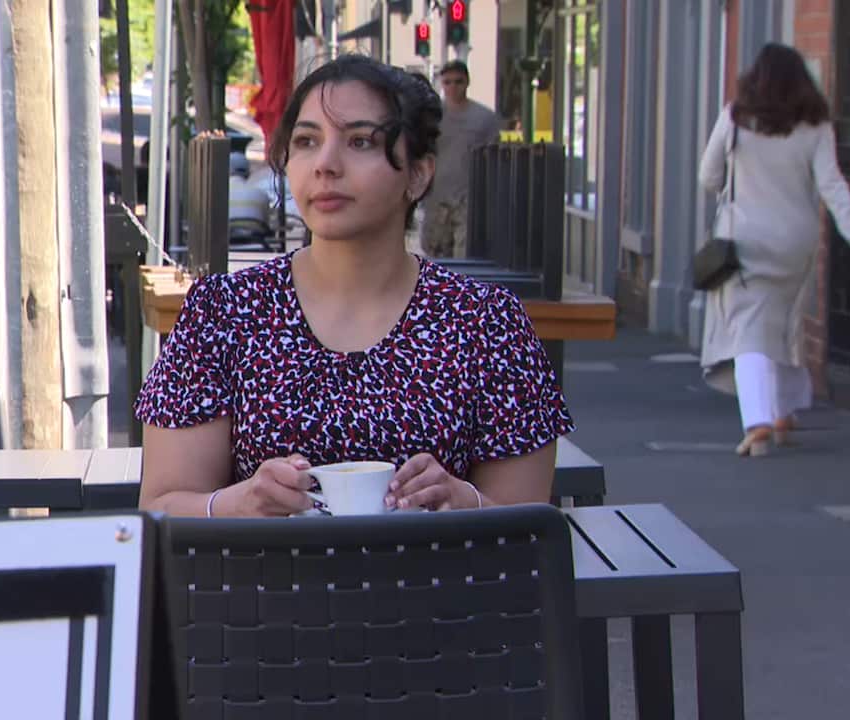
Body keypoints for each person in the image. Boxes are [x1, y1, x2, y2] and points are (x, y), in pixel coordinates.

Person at [135, 54, 574, 517]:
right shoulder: (223, 312)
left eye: (360, 141)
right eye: (306, 141)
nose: (325, 164)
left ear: (419, 174)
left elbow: (527, 529)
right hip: (263, 585)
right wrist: (236, 503)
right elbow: (160, 509)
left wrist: (467, 501)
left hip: (438, 585)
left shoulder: (487, 322)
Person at [697, 43, 850, 457]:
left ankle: (757, 419)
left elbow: (709, 175)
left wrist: (733, 191)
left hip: (744, 240)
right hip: (797, 240)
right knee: (785, 321)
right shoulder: (815, 126)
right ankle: (784, 411)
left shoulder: (736, 117)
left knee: (748, 331)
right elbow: (832, 184)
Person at [419, 60, 501, 259]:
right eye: (447, 82)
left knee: (464, 257)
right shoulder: (431, 116)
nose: (453, 87)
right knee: (436, 254)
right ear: (441, 84)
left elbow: (493, 157)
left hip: (468, 198)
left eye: (458, 82)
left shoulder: (485, 119)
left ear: (467, 82)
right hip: (436, 197)